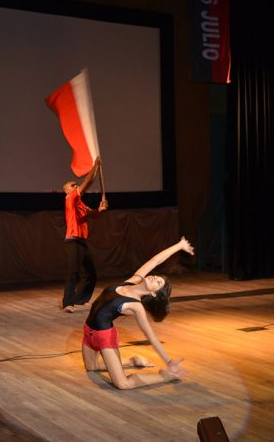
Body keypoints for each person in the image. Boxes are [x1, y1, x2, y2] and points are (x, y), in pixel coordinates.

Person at [81, 237, 194, 389]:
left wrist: (168, 362)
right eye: (158, 277)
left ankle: (165, 377)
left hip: (104, 337)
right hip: (88, 331)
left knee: (122, 384)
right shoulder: (132, 281)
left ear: (153, 293)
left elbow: (151, 336)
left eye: (158, 283)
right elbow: (155, 260)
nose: (155, 278)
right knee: (92, 367)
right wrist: (179, 245)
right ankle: (132, 361)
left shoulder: (136, 305)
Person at [61, 157, 108, 313]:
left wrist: (99, 210)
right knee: (73, 271)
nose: (75, 185)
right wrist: (94, 167)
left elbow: (92, 215)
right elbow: (87, 183)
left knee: (91, 273)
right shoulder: (70, 199)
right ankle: (67, 302)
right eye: (72, 185)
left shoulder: (80, 203)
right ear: (67, 191)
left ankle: (81, 300)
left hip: (81, 241)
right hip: (72, 240)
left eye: (75, 184)